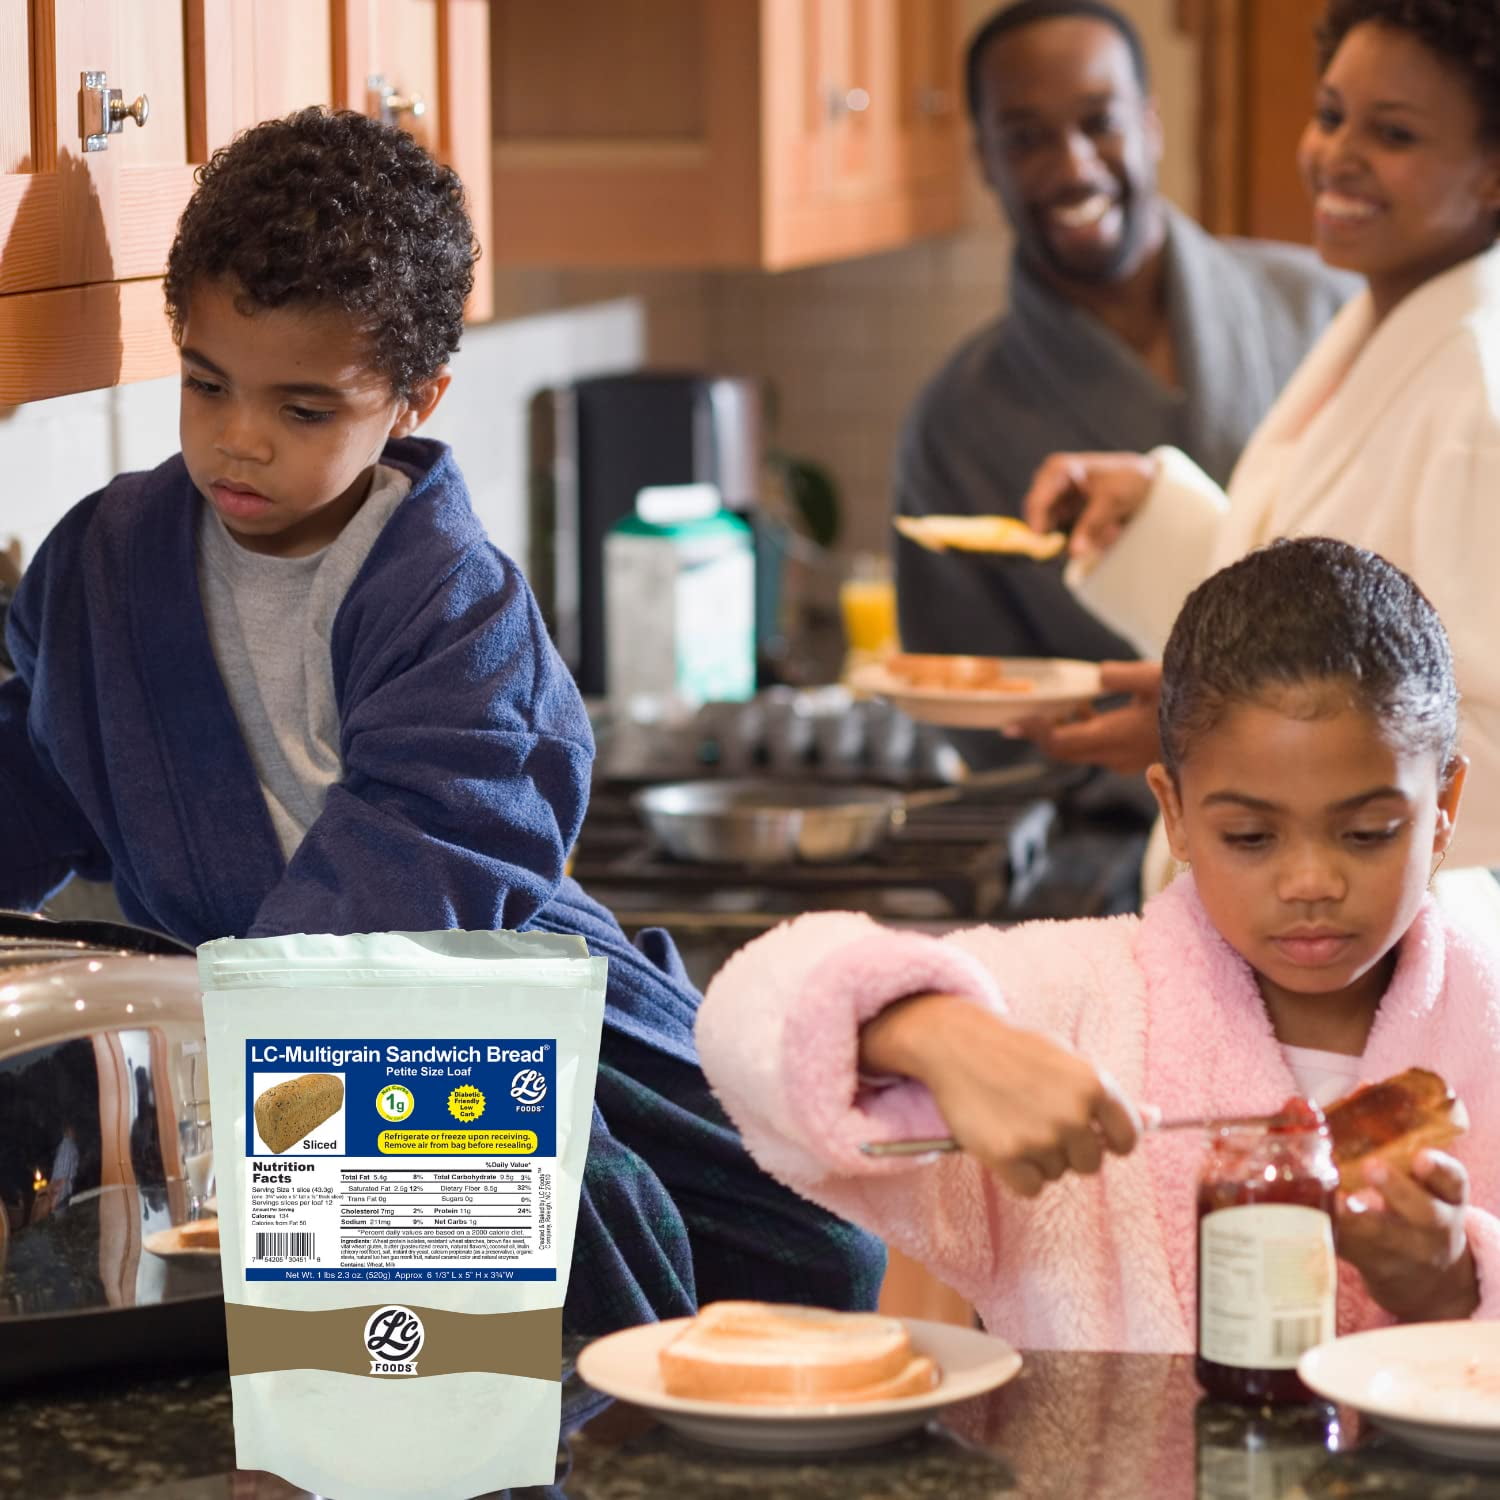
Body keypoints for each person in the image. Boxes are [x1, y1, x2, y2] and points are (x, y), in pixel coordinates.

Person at [0, 109, 883, 1331]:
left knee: (813, 1244)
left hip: (460, 1011)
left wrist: (245, 1028)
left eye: (305, 410)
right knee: (544, 1288)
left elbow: (434, 837)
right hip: (279, 1059)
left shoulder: (453, 599)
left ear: (414, 400)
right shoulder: (105, 562)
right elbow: (42, 763)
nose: (239, 439)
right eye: (207, 385)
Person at [699, 539, 1500, 1350]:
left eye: (1368, 832)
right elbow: (744, 1012)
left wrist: (1457, 1283)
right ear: (1174, 812)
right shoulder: (1074, 1007)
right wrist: (931, 1032)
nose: (1310, 881)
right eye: (1251, 837)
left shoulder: (1487, 1026)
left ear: (1444, 805)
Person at [1020, 0, 1500, 891]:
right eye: (1331, 115)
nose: (1336, 154)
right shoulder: (1377, 318)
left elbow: (1489, 746)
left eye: (1393, 133)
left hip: (1351, 942)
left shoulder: (1478, 394)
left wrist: (1219, 738)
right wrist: (1152, 518)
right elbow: (1328, 611)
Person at [894, 0, 1353, 669]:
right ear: (985, 160)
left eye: (1100, 122)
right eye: (1025, 138)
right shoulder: (955, 424)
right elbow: (964, 691)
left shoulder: (1331, 312)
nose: (1073, 167)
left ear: (1150, 123)